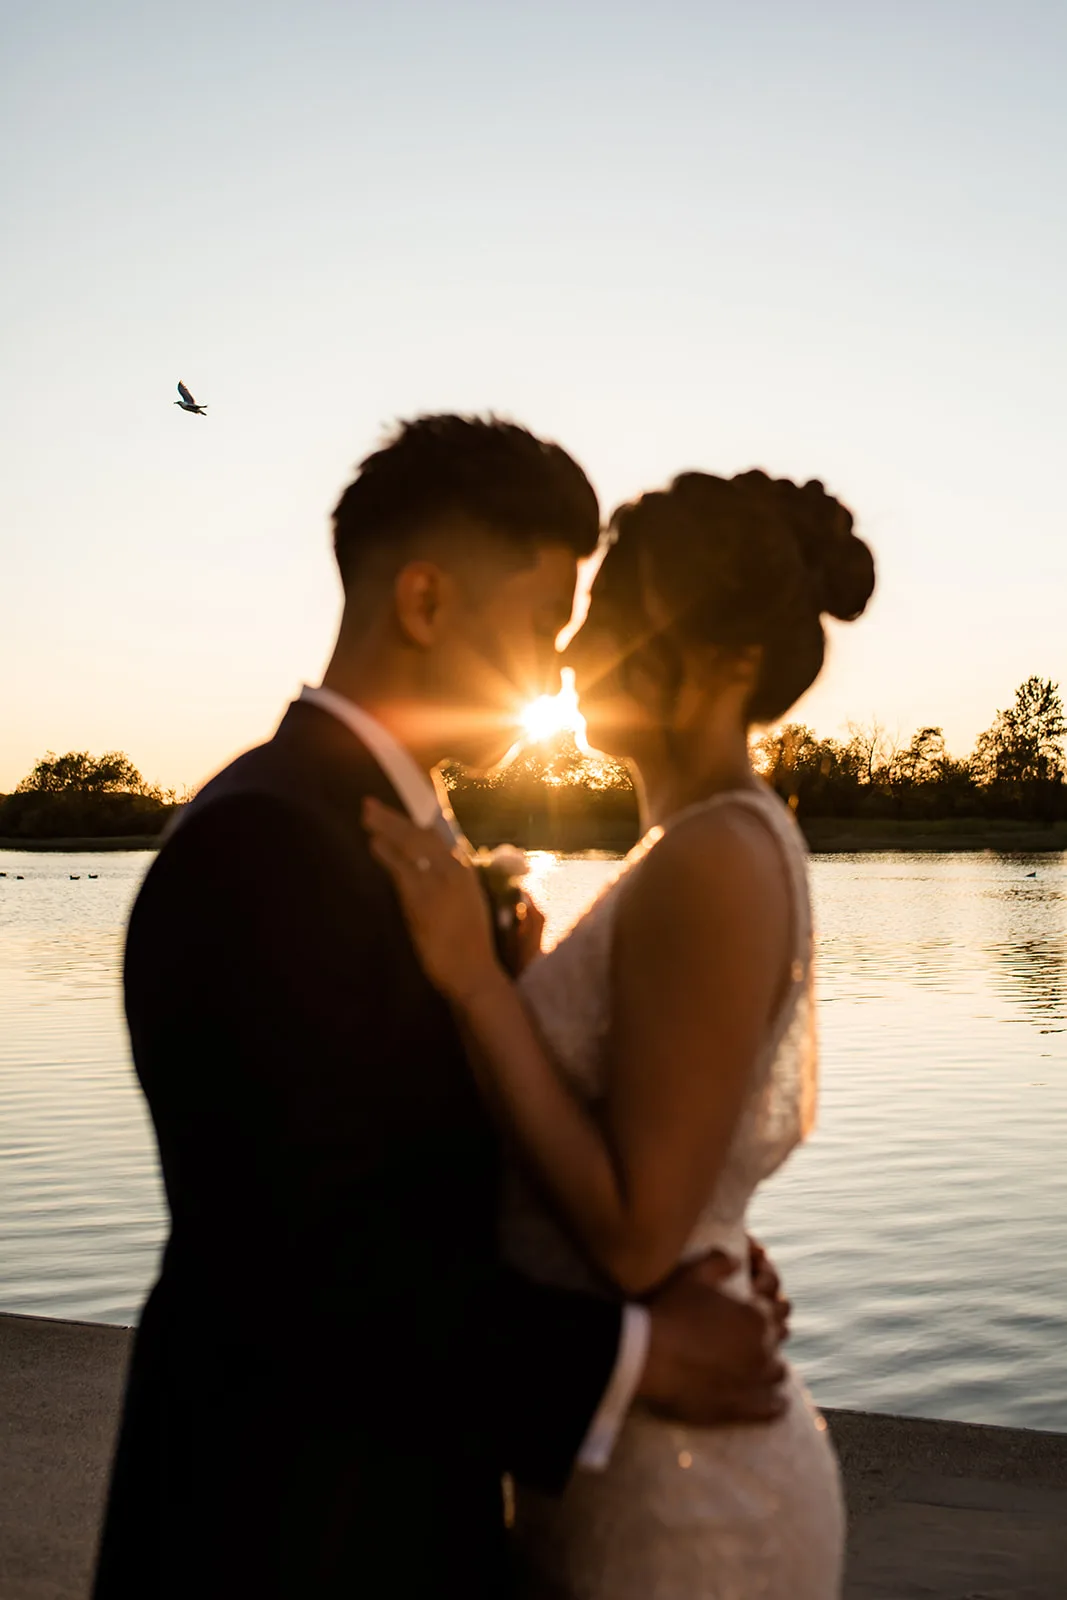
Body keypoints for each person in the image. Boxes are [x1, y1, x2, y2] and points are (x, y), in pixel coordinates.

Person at [92, 420, 792, 1600]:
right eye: (536, 620)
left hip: (411, 1523)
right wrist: (633, 1354)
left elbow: (438, 1175)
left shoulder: (401, 841)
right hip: (281, 1538)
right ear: (422, 601)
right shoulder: (260, 844)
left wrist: (674, 1253)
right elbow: (296, 1270)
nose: (557, 663)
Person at [365, 466, 877, 1598]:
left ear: (725, 661)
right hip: (613, 1458)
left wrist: (478, 988)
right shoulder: (689, 849)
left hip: (686, 1503)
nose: (573, 648)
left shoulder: (712, 858)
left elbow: (641, 1236)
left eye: (610, 615)